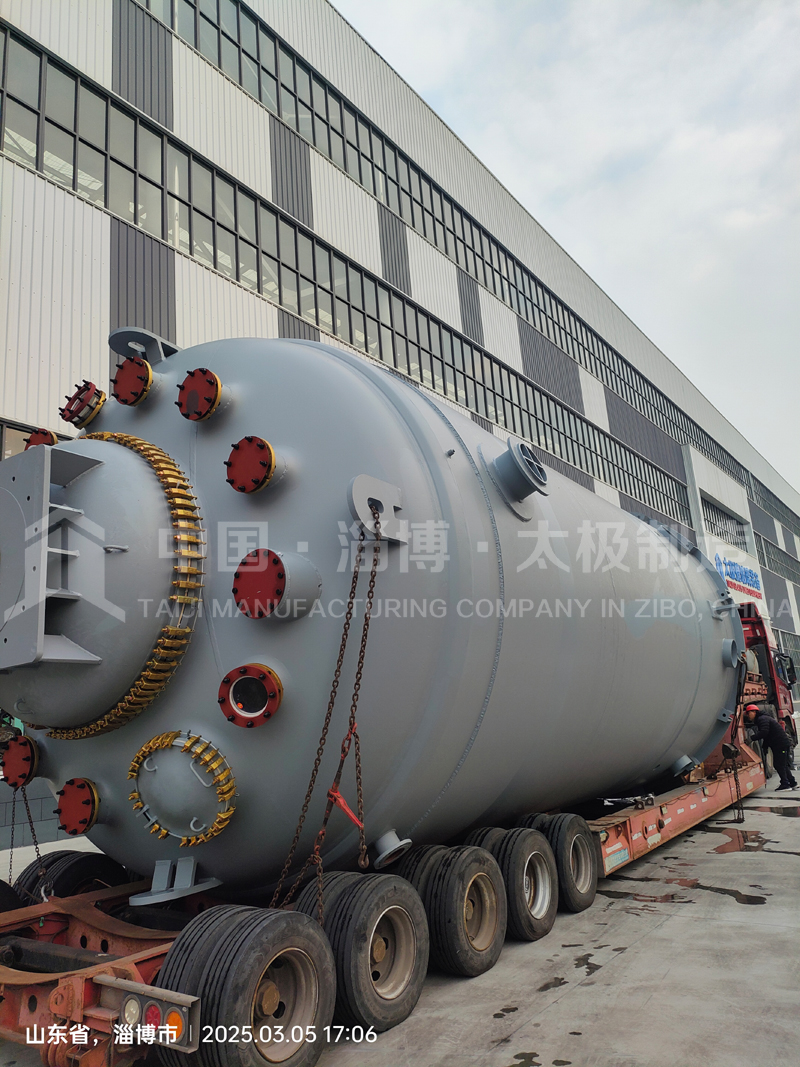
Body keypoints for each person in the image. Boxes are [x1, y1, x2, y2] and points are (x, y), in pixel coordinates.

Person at [744, 704, 798, 791]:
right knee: (783, 764)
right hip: (780, 744)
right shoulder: (763, 718)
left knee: (779, 765)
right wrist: (765, 746)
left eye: (748, 713)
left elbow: (764, 732)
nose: (747, 715)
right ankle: (792, 783)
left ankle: (785, 784)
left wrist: (751, 738)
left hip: (780, 744)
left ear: (754, 712)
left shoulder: (762, 719)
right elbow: (768, 735)